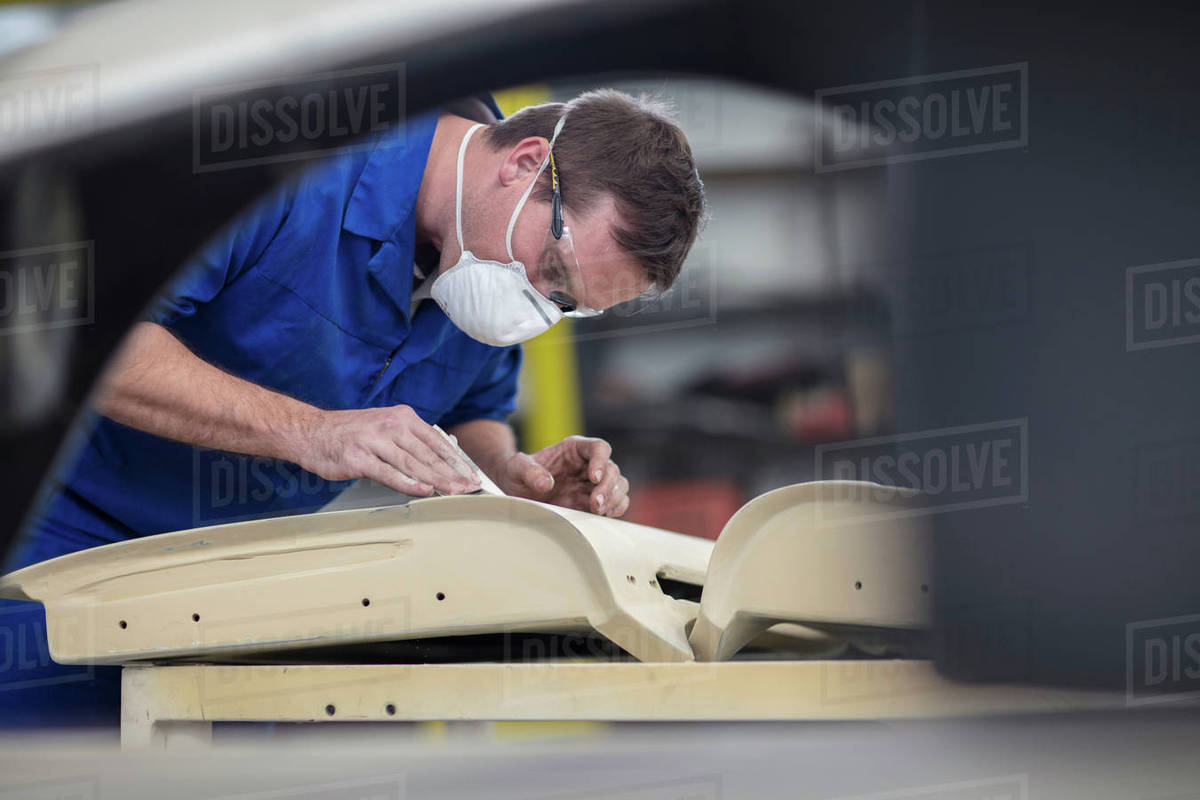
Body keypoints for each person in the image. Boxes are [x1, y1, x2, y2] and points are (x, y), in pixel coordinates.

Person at [0, 89, 706, 726]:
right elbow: (81, 347)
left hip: (228, 586)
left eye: (568, 309)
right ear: (523, 164)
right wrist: (311, 433)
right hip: (57, 535)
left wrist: (512, 476)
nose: (538, 310)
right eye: (554, 277)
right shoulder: (291, 167)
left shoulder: (484, 266)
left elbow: (474, 407)